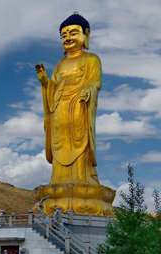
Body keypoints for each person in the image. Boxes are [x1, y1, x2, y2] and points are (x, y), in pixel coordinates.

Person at [35, 12, 101, 186]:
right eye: (64, 35)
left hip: (79, 108)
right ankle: (58, 181)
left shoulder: (91, 59)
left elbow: (95, 82)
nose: (68, 38)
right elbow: (53, 88)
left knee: (80, 144)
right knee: (59, 146)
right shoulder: (59, 65)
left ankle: (82, 180)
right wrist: (45, 82)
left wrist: (89, 90)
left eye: (73, 33)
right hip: (59, 111)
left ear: (86, 34)